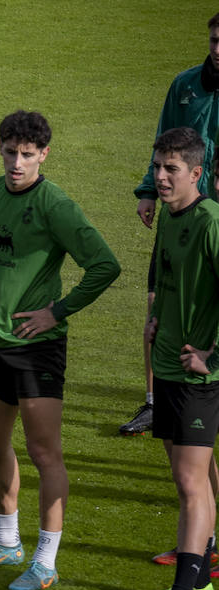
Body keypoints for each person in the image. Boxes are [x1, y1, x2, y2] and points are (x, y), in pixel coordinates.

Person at [0, 111, 120, 590]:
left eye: (27, 155)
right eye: (10, 152)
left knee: (45, 453)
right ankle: (6, 542)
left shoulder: (55, 205)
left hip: (38, 349)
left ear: (44, 154)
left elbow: (104, 265)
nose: (16, 163)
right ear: (0, 148)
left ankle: (45, 558)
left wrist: (58, 312)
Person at [136, 128, 219, 590]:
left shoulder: (210, 222)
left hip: (198, 379)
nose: (160, 178)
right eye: (157, 167)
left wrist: (214, 356)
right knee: (185, 479)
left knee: (191, 483)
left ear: (196, 173)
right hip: (167, 366)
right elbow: (167, 275)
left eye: (171, 169)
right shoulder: (170, 218)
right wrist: (157, 317)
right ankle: (204, 582)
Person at [122, 12, 219, 438]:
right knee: (158, 301)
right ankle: (154, 401)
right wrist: (149, 188)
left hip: (209, 213)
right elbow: (164, 139)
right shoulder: (185, 85)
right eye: (215, 39)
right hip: (178, 212)